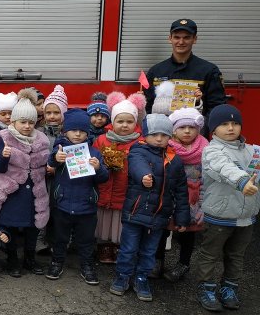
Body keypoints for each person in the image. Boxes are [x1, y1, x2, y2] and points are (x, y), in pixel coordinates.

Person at [109, 114, 190, 302]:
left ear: (170, 136)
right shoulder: (138, 149)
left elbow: (181, 190)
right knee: (128, 248)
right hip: (135, 212)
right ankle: (122, 275)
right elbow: (137, 164)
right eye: (154, 134)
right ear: (145, 135)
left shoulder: (175, 160)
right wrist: (144, 176)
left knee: (149, 251)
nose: (159, 139)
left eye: (164, 135)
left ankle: (141, 278)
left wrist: (182, 218)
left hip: (159, 216)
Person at [195, 104, 259, 312]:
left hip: (246, 216)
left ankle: (229, 288)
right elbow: (224, 168)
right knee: (210, 254)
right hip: (219, 215)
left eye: (235, 123)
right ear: (214, 129)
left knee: (236, 255)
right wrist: (243, 181)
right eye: (224, 124)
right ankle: (206, 288)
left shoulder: (254, 151)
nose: (231, 128)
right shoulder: (212, 151)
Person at [0, 88, 51, 278]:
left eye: (31, 122)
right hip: (12, 192)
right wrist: (3, 156)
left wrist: (51, 166)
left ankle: (30, 259)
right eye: (23, 122)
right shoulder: (4, 137)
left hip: (34, 192)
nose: (27, 126)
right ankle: (12, 259)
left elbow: (45, 164)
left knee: (32, 227)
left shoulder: (41, 139)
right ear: (13, 121)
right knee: (11, 227)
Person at [47, 109, 110, 284]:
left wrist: (98, 168)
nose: (77, 134)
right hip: (62, 203)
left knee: (86, 240)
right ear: (65, 131)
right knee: (60, 238)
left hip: (86, 205)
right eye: (73, 130)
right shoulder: (60, 149)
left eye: (82, 131)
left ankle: (87, 265)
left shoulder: (94, 153)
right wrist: (56, 158)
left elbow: (103, 178)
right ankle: (57, 262)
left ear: (87, 133)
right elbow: (50, 162)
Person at [151, 108, 208, 281]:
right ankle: (157, 261)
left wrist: (203, 205)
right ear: (174, 130)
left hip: (192, 199)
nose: (187, 131)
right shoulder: (166, 147)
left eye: (192, 127)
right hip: (168, 196)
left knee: (187, 234)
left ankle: (183, 264)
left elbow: (207, 180)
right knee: (161, 231)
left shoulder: (205, 149)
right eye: (182, 127)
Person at [93, 91, 146, 263]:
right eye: (120, 121)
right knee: (104, 220)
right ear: (112, 121)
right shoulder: (102, 140)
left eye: (129, 122)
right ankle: (104, 246)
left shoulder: (140, 142)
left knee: (120, 221)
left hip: (126, 189)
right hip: (105, 187)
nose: (124, 125)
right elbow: (93, 157)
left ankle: (118, 246)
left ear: (135, 122)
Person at [144, 19, 226, 125]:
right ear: (170, 39)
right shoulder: (155, 71)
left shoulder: (209, 70)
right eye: (177, 37)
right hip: (162, 132)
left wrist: (202, 128)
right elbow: (147, 107)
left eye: (186, 37)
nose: (181, 42)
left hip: (195, 132)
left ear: (194, 39)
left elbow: (216, 108)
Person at [41, 85, 68, 150]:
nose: (52, 116)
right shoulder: (40, 133)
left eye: (56, 112)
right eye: (48, 113)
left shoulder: (68, 133)